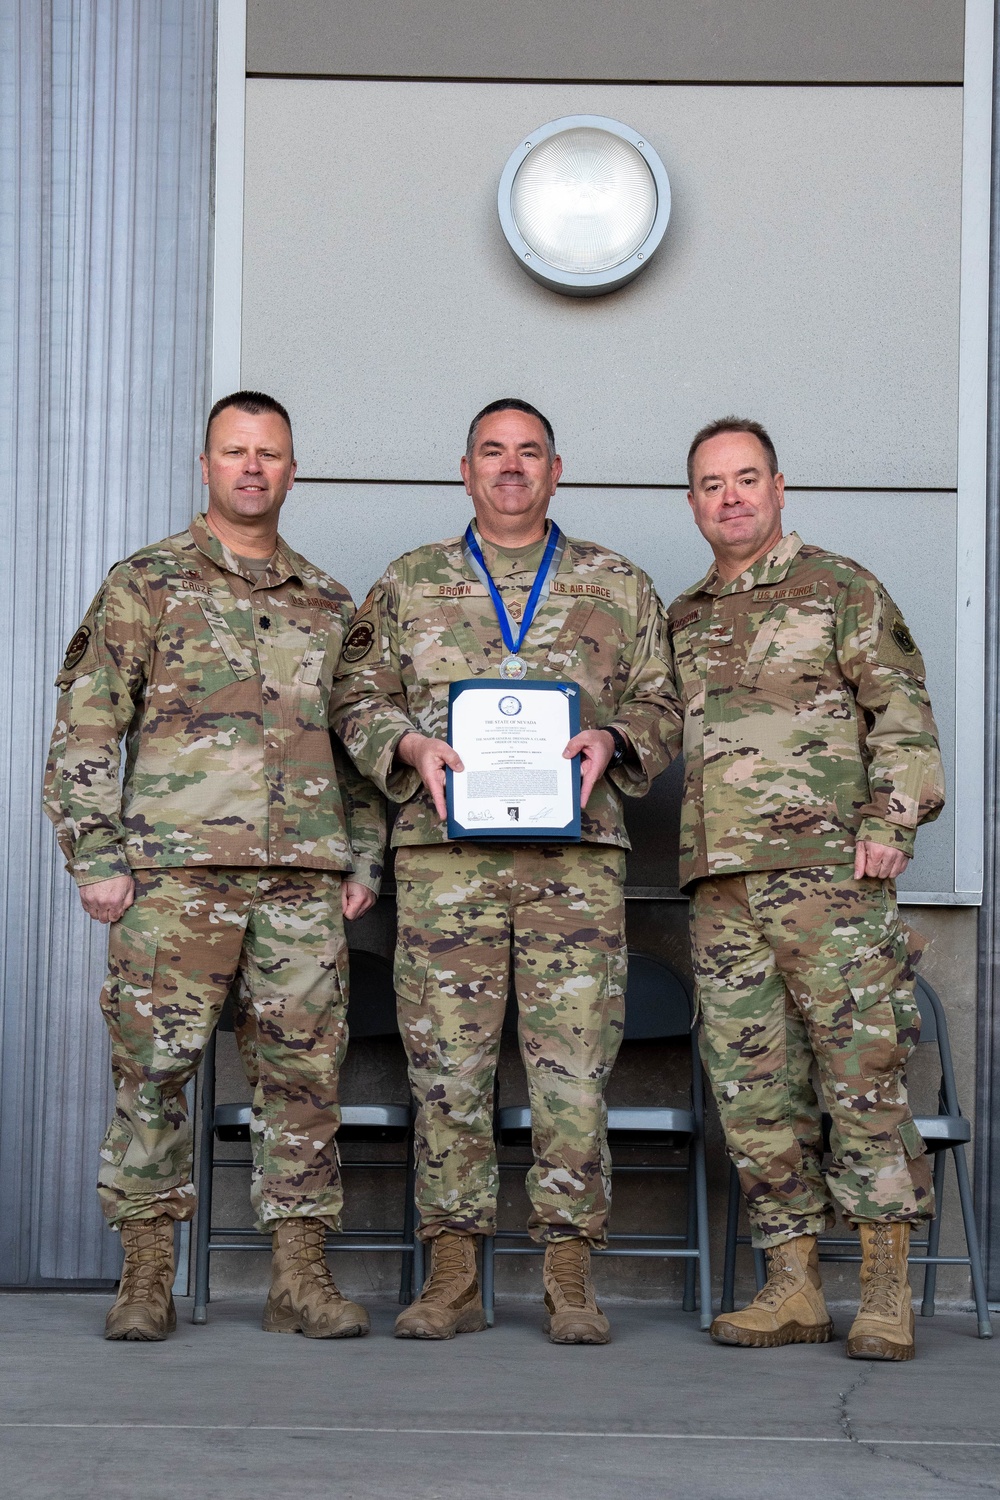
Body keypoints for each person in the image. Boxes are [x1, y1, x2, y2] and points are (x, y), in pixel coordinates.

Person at [330, 398, 675, 1343]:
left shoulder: (615, 583)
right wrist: (408, 744)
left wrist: (613, 736)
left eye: (529, 453)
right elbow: (352, 693)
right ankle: (452, 1274)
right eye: (493, 452)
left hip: (575, 867)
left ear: (557, 471)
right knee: (447, 1067)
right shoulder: (409, 582)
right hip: (447, 867)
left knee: (572, 1069)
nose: (511, 467)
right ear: (466, 468)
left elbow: (665, 699)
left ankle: (571, 1274)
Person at [43, 391, 385, 1342]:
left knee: (305, 1079)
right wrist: (95, 856)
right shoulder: (145, 583)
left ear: (291, 468)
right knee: (153, 1071)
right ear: (206, 466)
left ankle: (298, 1276)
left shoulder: (327, 602)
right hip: (174, 881)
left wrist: (364, 856)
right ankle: (146, 1274)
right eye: (234, 452)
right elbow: (88, 725)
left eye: (268, 454)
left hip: (301, 883)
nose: (251, 468)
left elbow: (359, 742)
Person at [665, 415, 945, 1361]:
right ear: (693, 502)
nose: (730, 496)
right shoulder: (684, 616)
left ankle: (882, 1291)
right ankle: (791, 1288)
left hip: (832, 881)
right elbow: (652, 729)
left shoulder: (840, 588)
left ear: (780, 489)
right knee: (754, 1092)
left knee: (861, 1079)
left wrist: (891, 824)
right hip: (721, 891)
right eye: (712, 483)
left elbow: (902, 709)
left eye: (747, 478)